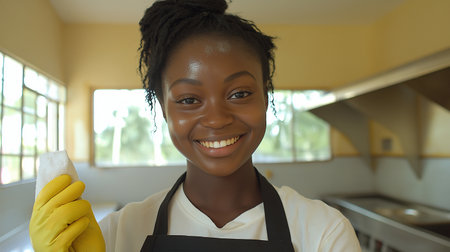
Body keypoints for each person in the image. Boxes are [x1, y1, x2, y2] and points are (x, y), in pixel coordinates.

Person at [30, 0, 361, 251]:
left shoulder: (323, 232)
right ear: (163, 109)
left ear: (266, 98)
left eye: (240, 93)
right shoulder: (119, 233)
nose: (217, 119)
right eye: (189, 99)